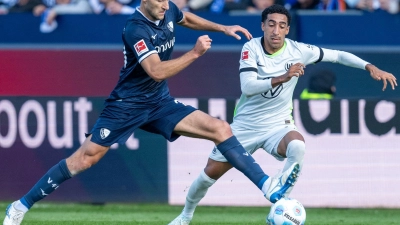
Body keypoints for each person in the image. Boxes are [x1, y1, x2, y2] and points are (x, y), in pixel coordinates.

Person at [3, 1, 301, 225]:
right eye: (157, 1)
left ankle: (268, 186)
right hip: (126, 105)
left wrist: (221, 27)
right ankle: (19, 206)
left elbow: (185, 17)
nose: (164, 5)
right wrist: (195, 53)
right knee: (84, 160)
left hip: (159, 103)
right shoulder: (135, 28)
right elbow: (156, 70)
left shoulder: (165, 8)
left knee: (220, 129)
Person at [168, 4, 397, 225]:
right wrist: (284, 77)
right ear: (263, 26)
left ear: (287, 29)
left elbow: (337, 55)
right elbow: (248, 86)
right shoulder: (251, 48)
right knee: (209, 174)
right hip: (244, 127)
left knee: (297, 146)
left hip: (278, 125)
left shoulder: (299, 50)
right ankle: (186, 216)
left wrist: (369, 66)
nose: (276, 31)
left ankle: (280, 195)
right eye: (271, 24)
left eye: (281, 26)